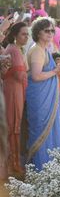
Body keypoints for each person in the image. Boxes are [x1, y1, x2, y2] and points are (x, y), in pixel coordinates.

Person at [26, 18, 60, 171]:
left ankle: (50, 171)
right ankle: (40, 171)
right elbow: (36, 76)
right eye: (46, 30)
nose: (50, 33)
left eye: (52, 31)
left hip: (46, 99)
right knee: (41, 133)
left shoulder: (44, 49)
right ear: (38, 32)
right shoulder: (37, 50)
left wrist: (57, 70)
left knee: (49, 133)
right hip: (40, 100)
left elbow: (45, 73)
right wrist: (55, 71)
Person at [2, 22, 29, 173]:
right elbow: (20, 75)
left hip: (12, 89)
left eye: (27, 34)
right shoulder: (14, 50)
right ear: (15, 36)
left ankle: (12, 163)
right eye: (23, 34)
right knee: (14, 125)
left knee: (12, 124)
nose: (26, 37)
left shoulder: (14, 49)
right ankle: (14, 164)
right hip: (13, 91)